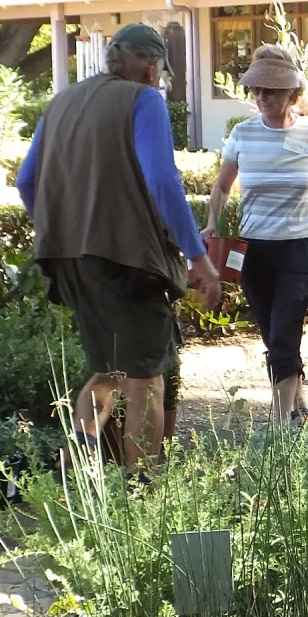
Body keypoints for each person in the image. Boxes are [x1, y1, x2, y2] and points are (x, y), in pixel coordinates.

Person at [15, 23, 220, 470]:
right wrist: (197, 256)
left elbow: (25, 181)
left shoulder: (61, 102)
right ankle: (141, 492)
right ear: (150, 68)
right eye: (160, 73)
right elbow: (163, 180)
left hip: (69, 259)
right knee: (146, 380)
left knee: (108, 371)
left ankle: (77, 481)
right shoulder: (143, 100)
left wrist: (61, 227)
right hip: (127, 261)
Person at [205, 45, 308, 423]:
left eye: (271, 90)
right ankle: (297, 396)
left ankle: (284, 423)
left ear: (291, 94)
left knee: (285, 329)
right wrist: (212, 224)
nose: (263, 97)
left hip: (300, 247)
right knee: (272, 333)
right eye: (257, 90)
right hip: (252, 250)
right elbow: (221, 188)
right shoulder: (242, 134)